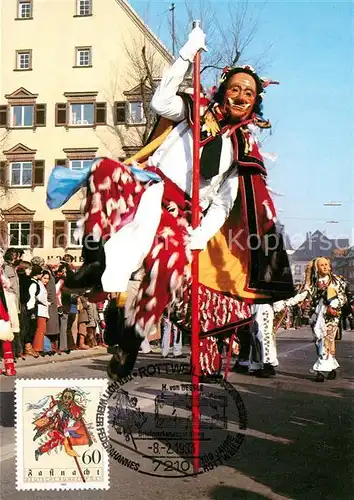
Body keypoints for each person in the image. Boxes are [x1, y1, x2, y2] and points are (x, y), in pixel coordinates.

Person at [48, 26, 293, 378]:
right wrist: (184, 55)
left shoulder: (243, 147)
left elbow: (225, 202)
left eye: (249, 93)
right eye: (236, 88)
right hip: (148, 188)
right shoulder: (194, 110)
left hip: (180, 216)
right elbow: (160, 102)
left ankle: (130, 341)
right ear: (223, 91)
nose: (241, 95)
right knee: (104, 171)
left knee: (171, 264)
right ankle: (93, 259)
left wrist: (202, 234)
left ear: (255, 103)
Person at [304, 257, 347, 382]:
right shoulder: (314, 281)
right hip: (317, 315)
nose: (324, 267)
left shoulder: (337, 281)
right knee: (319, 340)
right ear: (317, 267)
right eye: (321, 265)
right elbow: (308, 295)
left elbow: (343, 298)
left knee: (327, 340)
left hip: (331, 316)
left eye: (326, 264)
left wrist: (334, 303)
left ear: (329, 266)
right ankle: (331, 367)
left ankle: (321, 371)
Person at [28, 267, 50, 353]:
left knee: (42, 330)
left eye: (48, 279)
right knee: (40, 330)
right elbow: (39, 297)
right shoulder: (39, 285)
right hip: (40, 310)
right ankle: (37, 348)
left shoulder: (43, 286)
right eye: (44, 278)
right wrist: (47, 302)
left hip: (43, 310)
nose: (46, 280)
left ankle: (39, 347)